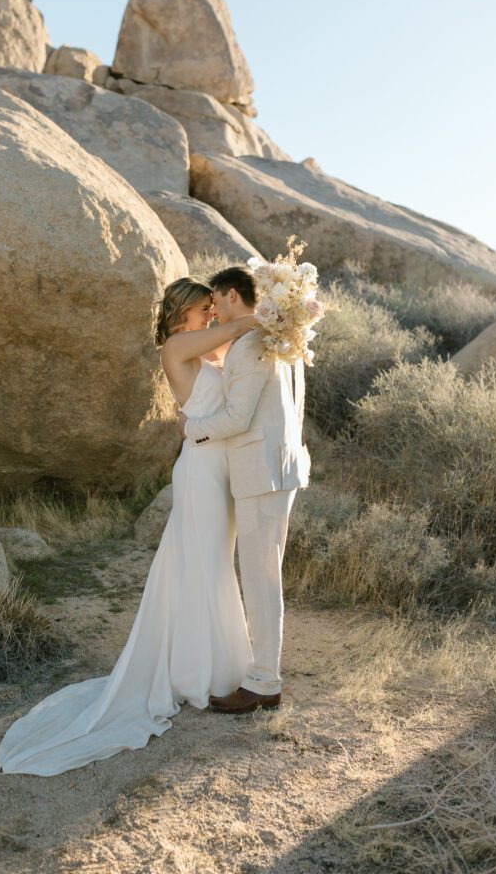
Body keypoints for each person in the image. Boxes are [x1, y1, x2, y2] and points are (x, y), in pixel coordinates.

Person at [0, 276, 259, 776]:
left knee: (213, 565)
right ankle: (199, 673)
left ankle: (213, 664)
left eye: (212, 308)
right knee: (203, 565)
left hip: (221, 469)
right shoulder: (178, 347)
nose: (211, 315)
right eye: (206, 307)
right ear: (184, 310)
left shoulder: (208, 351)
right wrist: (271, 314)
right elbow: (239, 329)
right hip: (201, 472)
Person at [177, 265, 311, 714]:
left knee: (260, 579)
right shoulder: (281, 340)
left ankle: (263, 683)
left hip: (261, 473)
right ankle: (262, 675)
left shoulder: (252, 344)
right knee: (262, 575)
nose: (213, 313)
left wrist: (191, 429)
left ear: (232, 295)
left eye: (215, 302)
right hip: (278, 468)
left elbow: (237, 417)